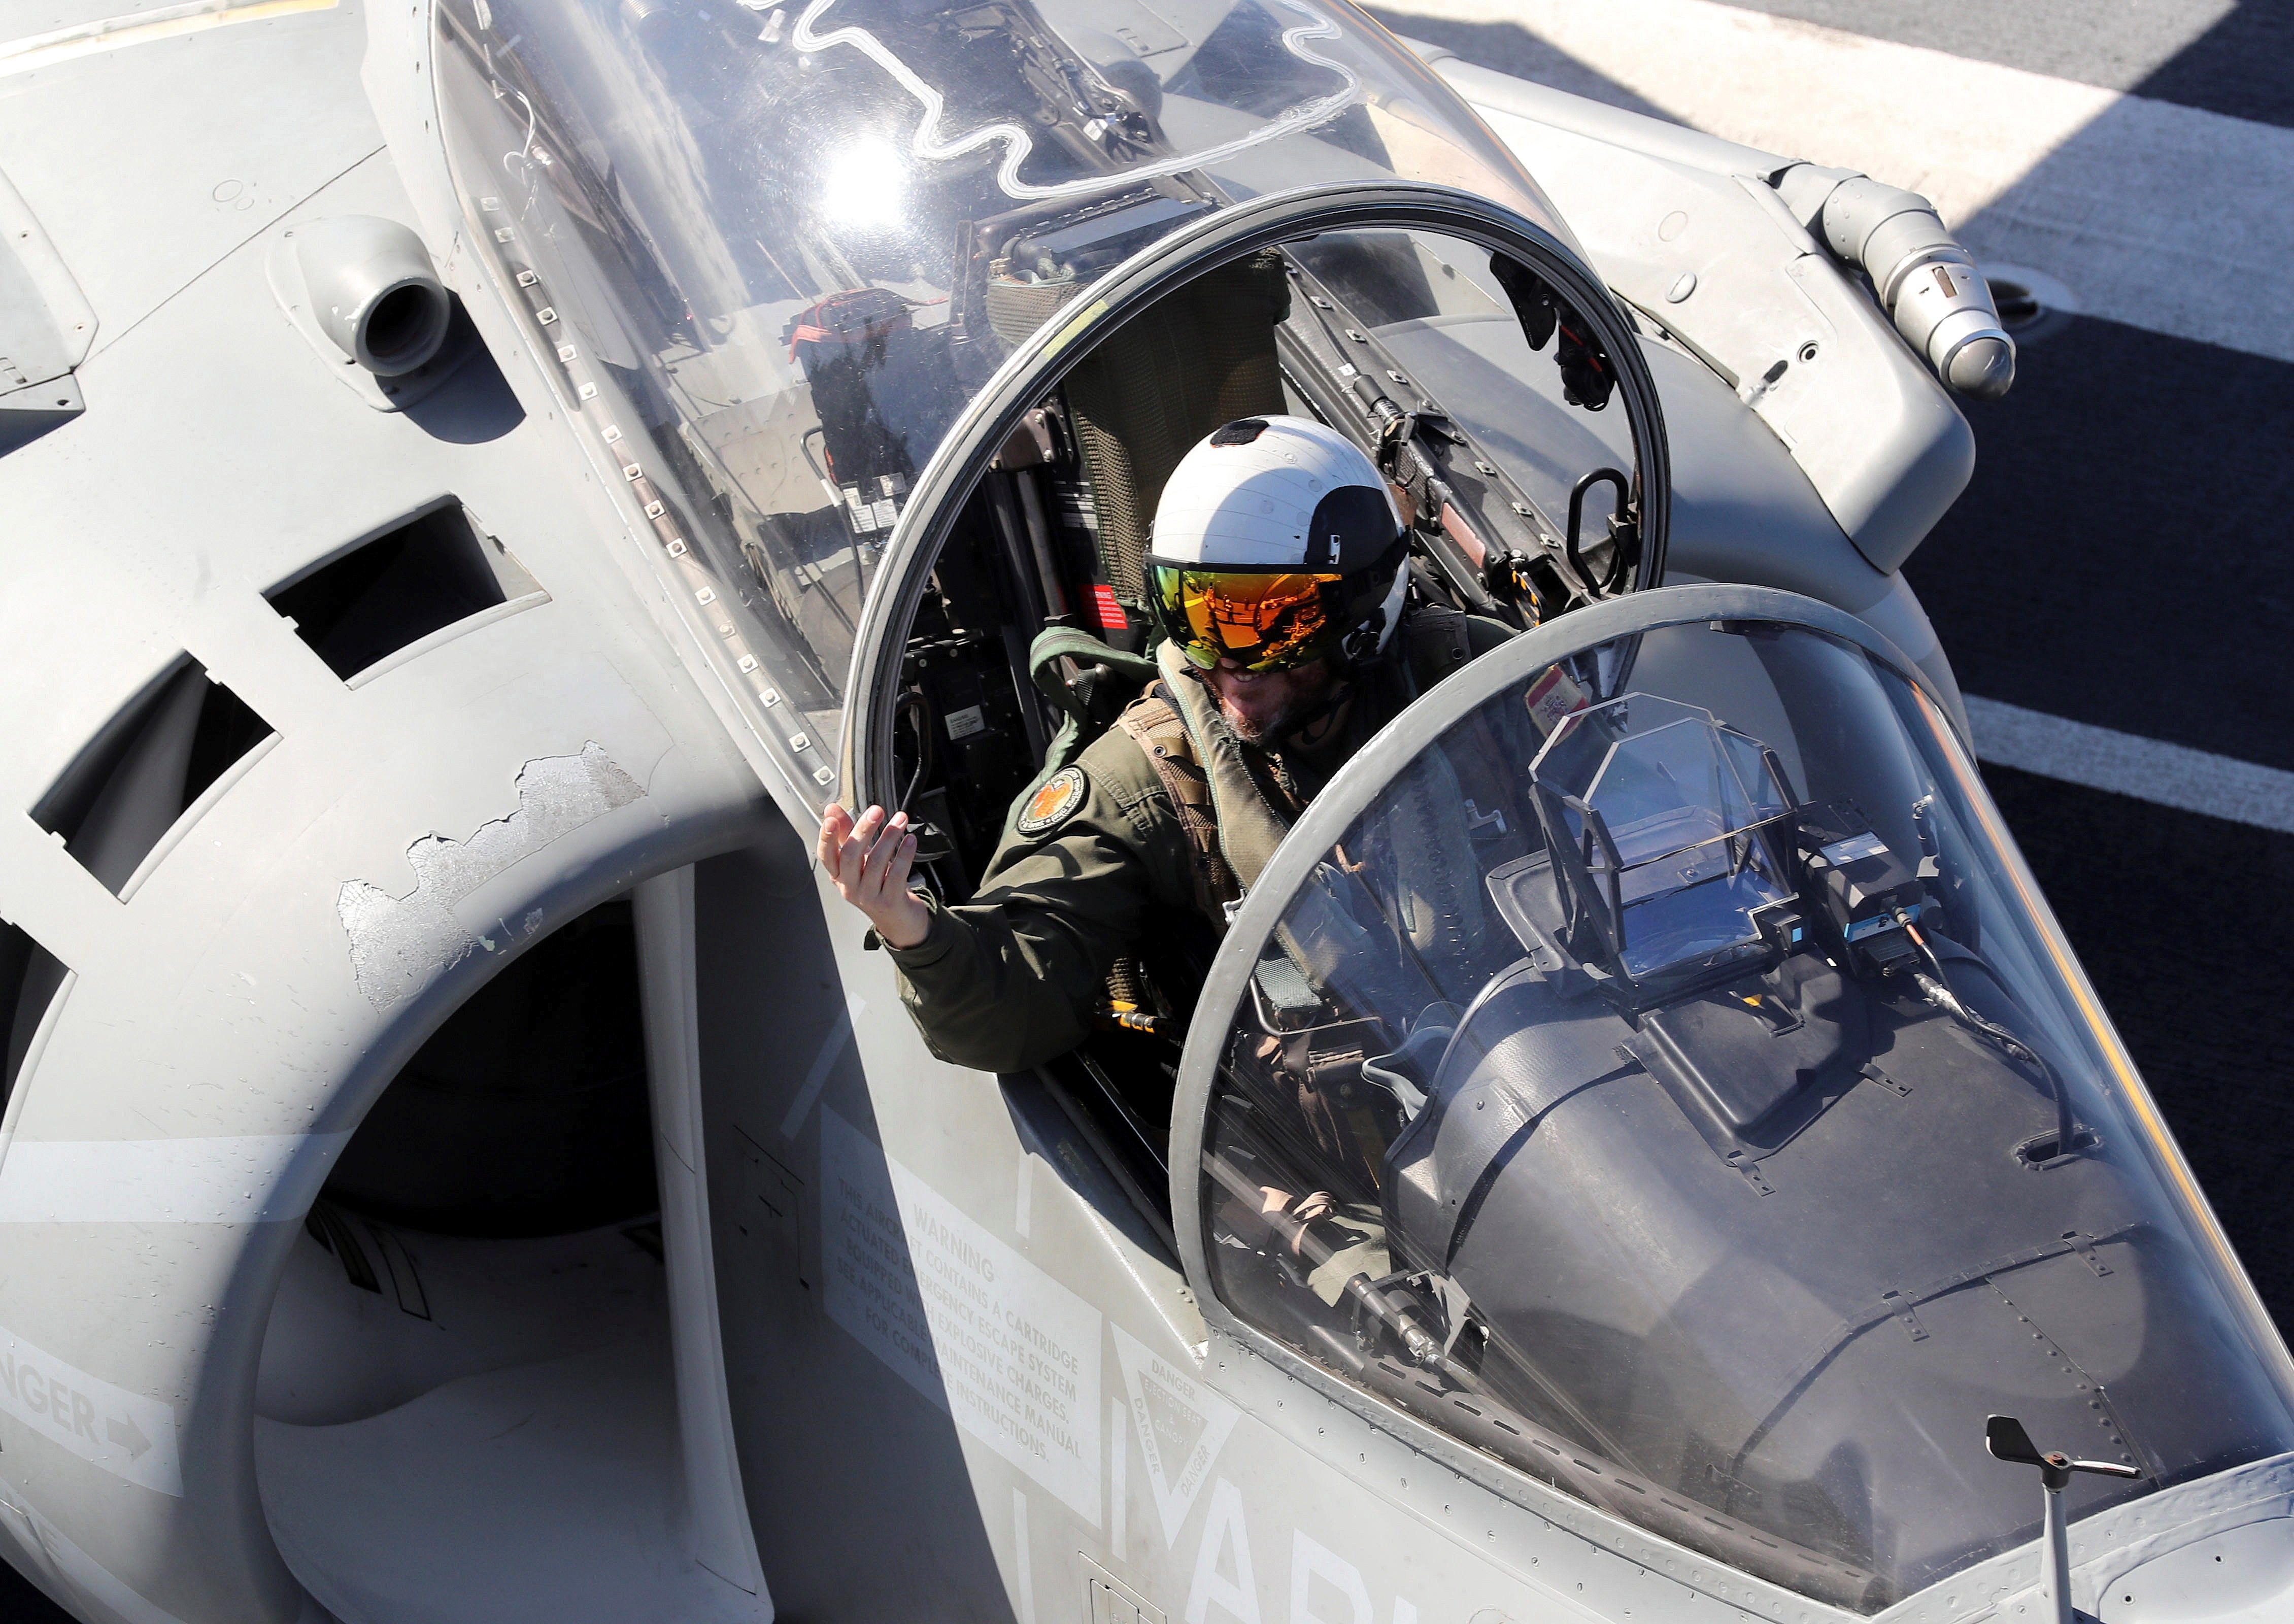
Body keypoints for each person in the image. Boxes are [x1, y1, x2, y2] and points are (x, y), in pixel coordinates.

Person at [817, 415, 1507, 1075]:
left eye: (1269, 623)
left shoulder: (1476, 676)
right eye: (1197, 615)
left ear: (1363, 607)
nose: (1226, 664)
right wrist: (913, 930)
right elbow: (1013, 1008)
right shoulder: (1147, 780)